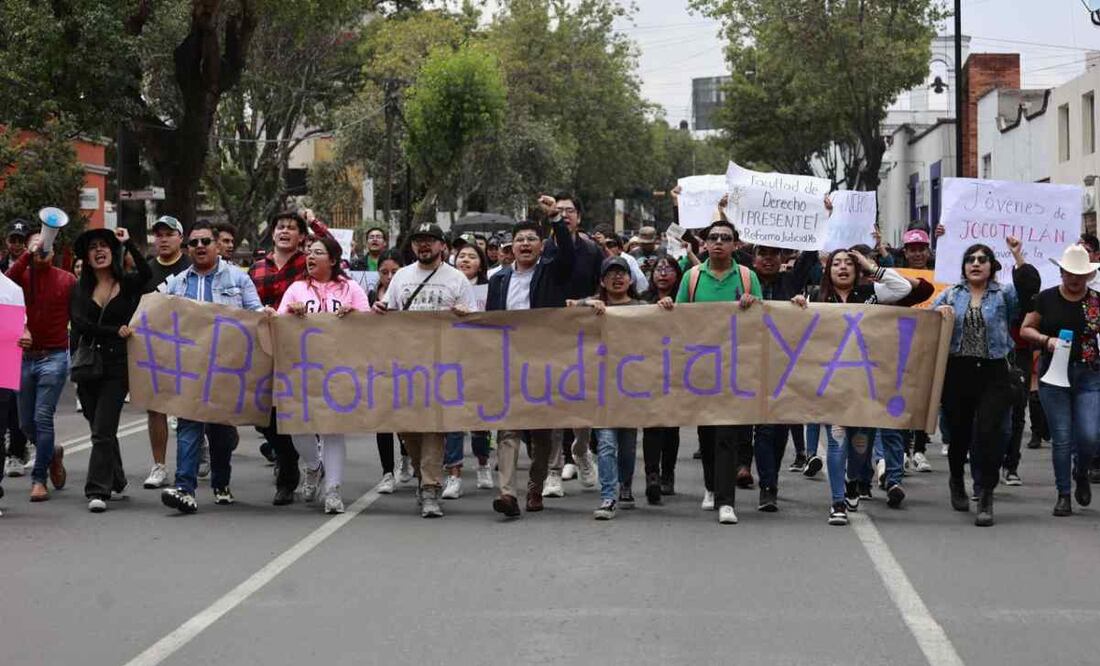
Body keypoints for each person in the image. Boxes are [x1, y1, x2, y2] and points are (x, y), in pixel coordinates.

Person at [791, 248, 913, 525]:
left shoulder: (872, 294)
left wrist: (870, 266)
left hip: (866, 382)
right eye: (837, 263)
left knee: (861, 445)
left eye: (849, 263)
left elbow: (903, 287)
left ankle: (852, 480)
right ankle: (837, 503)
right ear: (828, 270)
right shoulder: (816, 297)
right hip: (831, 382)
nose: (843, 267)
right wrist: (797, 305)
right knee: (837, 442)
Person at [373, 222, 477, 518]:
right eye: (419, 240)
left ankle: (431, 488)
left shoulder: (457, 279)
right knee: (407, 427)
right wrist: (380, 310)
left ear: (442, 246)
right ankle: (423, 475)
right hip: (404, 365)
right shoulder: (402, 276)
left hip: (442, 365)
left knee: (433, 426)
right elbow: (388, 311)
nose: (424, 245)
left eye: (430, 240)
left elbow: (472, 321)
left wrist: (464, 315)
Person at [933, 237, 1038, 527]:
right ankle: (957, 479)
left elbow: (1030, 293)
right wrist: (938, 315)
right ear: (964, 267)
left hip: (994, 372)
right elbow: (925, 321)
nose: (976, 263)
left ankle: (986, 492)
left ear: (992, 267)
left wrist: (1018, 256)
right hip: (958, 372)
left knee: (989, 432)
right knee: (960, 433)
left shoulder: (1004, 295)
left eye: (982, 259)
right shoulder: (952, 295)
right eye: (971, 259)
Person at [160, 221, 262, 513]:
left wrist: (264, 314)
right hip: (190, 367)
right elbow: (161, 319)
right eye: (194, 243)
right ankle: (185, 489)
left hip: (226, 367)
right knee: (189, 425)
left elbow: (254, 313)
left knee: (221, 432)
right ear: (187, 248)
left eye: (206, 241)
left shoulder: (238, 279)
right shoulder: (177, 283)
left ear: (217, 245)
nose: (200, 246)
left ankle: (221, 482)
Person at [669, 218, 763, 525]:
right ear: (704, 244)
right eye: (714, 237)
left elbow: (763, 320)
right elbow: (679, 319)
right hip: (701, 369)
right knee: (707, 434)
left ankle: (726, 501)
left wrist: (752, 304)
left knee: (727, 434)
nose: (719, 242)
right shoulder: (692, 278)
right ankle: (710, 486)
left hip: (735, 369)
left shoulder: (748, 277)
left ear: (736, 245)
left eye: (726, 237)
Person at [568, 256, 674, 519]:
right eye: (610, 274)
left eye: (622, 273)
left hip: (632, 388)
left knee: (627, 446)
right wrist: (586, 303)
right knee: (605, 444)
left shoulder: (642, 306)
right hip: (602, 388)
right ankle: (608, 496)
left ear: (630, 278)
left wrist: (664, 304)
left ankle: (625, 482)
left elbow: (662, 329)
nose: (617, 278)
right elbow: (567, 308)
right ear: (602, 281)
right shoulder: (594, 306)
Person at [485, 214, 575, 518]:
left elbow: (568, 255)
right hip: (508, 362)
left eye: (531, 239)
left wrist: (558, 221)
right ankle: (507, 493)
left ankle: (535, 487)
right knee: (507, 430)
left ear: (541, 245)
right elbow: (490, 320)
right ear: (512, 246)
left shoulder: (551, 272)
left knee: (540, 433)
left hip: (543, 363)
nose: (525, 244)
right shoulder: (498, 279)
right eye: (520, 239)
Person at [279, 236, 370, 514]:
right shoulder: (295, 289)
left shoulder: (350, 288)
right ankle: (313, 465)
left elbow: (369, 324)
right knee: (298, 426)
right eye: (308, 252)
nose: (310, 256)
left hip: (338, 370)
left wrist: (353, 313)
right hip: (301, 368)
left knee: (332, 429)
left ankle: (333, 490)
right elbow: (278, 322)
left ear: (332, 260)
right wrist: (290, 315)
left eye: (317, 252)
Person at [249, 210, 330, 505]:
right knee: (266, 416)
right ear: (272, 233)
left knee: (300, 411)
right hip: (265, 349)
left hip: (301, 351)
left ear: (301, 236)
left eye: (292, 228)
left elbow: (331, 247)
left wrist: (313, 221)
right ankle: (291, 459)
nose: (285, 231)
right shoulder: (257, 268)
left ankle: (290, 479)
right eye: (280, 227)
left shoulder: (306, 265)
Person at [69, 227, 152, 512]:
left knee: (103, 429)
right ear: (87, 256)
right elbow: (80, 324)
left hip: (118, 367)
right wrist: (114, 330)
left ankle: (97, 490)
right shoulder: (79, 288)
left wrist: (129, 243)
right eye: (93, 247)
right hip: (88, 365)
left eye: (104, 246)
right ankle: (116, 477)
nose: (99, 251)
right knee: (99, 427)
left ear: (112, 252)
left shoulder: (126, 283)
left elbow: (147, 276)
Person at [1019, 244, 1100, 517]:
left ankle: (1081, 472)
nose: (1074, 279)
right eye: (1069, 273)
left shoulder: (1097, 301)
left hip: (1089, 374)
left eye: (1080, 274)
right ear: (1062, 272)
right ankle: (1063, 493)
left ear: (1088, 275)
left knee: (1090, 435)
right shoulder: (1046, 299)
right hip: (1053, 375)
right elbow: (1025, 329)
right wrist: (1046, 340)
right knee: (1062, 437)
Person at [750, 240, 822, 507]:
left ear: (783, 257)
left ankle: (770, 480)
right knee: (756, 428)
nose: (768, 259)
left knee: (777, 429)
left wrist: (820, 220)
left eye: (774, 254)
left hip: (782, 366)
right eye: (763, 253)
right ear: (753, 257)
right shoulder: (744, 279)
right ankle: (757, 479)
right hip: (747, 365)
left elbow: (811, 254)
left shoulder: (790, 282)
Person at [6, 231, 75, 502]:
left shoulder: (67, 279)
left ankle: (39, 479)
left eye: (48, 243)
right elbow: (5, 282)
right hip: (23, 357)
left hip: (54, 357)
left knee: (42, 417)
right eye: (39, 243)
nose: (43, 248)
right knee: (25, 424)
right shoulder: (21, 276)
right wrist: (27, 254)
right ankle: (53, 452)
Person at [142, 215, 190, 490]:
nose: (162, 239)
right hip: (156, 349)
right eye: (158, 234)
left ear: (180, 238)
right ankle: (159, 465)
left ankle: (198, 450)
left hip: (190, 347)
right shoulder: (147, 272)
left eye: (169, 234)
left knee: (190, 408)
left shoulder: (191, 267)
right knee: (155, 407)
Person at [441, 243, 493, 499]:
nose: (466, 260)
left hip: (480, 360)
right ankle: (454, 474)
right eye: (461, 256)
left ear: (481, 264)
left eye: (472, 256)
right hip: (451, 360)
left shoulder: (490, 287)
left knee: (480, 419)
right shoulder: (445, 285)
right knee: (453, 419)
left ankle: (483, 464)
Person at [640, 255, 684, 502]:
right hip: (646, 369)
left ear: (678, 275)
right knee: (652, 424)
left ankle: (668, 474)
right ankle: (652, 476)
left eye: (668, 269)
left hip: (676, 370)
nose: (663, 273)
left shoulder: (684, 300)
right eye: (659, 269)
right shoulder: (643, 300)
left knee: (671, 426)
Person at [366, 249, 403, 494]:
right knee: (382, 419)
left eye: (395, 272)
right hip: (378, 363)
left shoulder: (406, 292)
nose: (389, 276)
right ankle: (387, 472)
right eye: (384, 272)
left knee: (404, 417)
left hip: (406, 364)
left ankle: (408, 458)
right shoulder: (370, 295)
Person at [2, 218, 32, 477]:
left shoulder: (36, 266)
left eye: (22, 241)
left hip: (20, 341)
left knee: (14, 402)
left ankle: (17, 450)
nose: (17, 245)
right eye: (13, 240)